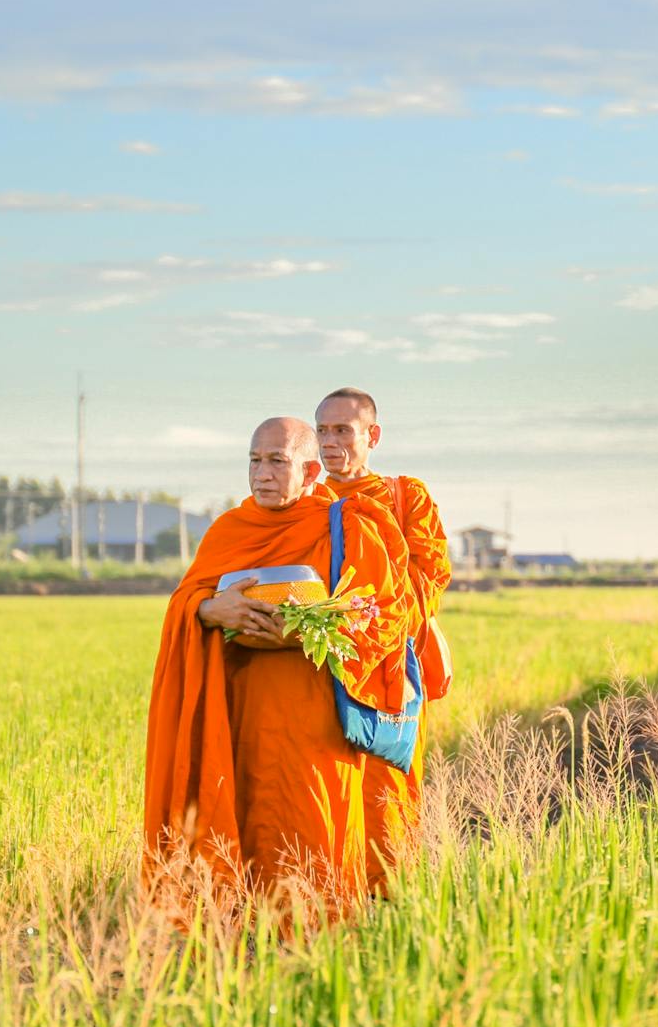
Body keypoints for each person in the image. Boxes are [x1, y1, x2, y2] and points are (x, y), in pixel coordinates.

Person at [143, 416, 413, 916]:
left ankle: (319, 945)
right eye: (254, 460)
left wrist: (306, 631)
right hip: (239, 713)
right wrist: (207, 609)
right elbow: (188, 597)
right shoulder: (230, 529)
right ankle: (239, 935)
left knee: (312, 824)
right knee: (241, 820)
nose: (261, 474)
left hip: (316, 719)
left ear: (311, 471)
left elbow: (383, 615)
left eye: (276, 462)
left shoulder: (350, 525)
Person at [315, 387, 452, 884]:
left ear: (372, 435)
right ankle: (329, 898)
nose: (331, 442)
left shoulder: (403, 496)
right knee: (326, 791)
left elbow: (428, 580)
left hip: (389, 672)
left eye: (343, 430)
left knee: (387, 791)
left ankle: (390, 900)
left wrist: (360, 624)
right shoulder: (305, 498)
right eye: (323, 431)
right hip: (314, 672)